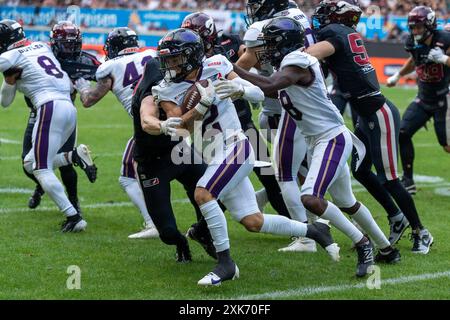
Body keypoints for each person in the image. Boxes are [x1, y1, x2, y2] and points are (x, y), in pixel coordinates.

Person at [153, 28, 340, 286]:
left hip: (236, 145)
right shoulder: (164, 89)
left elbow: (259, 93)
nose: (170, 65)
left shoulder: (217, 64)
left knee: (203, 193)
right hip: (214, 154)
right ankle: (314, 229)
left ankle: (226, 264)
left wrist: (240, 89)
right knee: (253, 221)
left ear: (192, 56)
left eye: (175, 59)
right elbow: (180, 127)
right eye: (168, 60)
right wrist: (200, 106)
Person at [234, 16, 401, 277]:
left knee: (310, 198)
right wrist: (242, 90)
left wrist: (235, 71)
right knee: (347, 201)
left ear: (283, 43)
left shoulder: (296, 62)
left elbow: (272, 84)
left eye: (270, 43)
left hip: (330, 139)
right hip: (320, 140)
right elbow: (275, 92)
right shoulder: (292, 64)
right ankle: (387, 249)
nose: (265, 50)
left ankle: (362, 243)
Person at [307, 0, 433, 253]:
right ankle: (396, 218)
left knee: (390, 179)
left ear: (337, 17)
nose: (320, 18)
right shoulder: (345, 33)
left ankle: (421, 231)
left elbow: (307, 56)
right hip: (365, 112)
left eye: (326, 14)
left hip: (378, 111)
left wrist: (288, 54)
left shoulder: (335, 34)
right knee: (362, 170)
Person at [181, 12, 292, 222]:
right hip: (209, 133)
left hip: (242, 124)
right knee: (207, 184)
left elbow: (252, 67)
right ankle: (205, 229)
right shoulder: (186, 63)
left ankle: (295, 225)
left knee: (268, 176)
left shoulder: (227, 49)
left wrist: (239, 83)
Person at [236, 0, 324, 253]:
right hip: (309, 102)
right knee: (300, 170)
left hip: (285, 108)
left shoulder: (264, 27)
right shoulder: (298, 16)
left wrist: (228, 69)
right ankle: (320, 221)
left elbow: (245, 64)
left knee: (288, 173)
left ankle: (308, 233)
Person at [0, 19, 97, 232]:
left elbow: (4, 102)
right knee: (29, 163)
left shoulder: (8, 56)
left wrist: (9, 80)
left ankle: (74, 217)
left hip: (48, 106)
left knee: (41, 168)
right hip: (67, 108)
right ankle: (74, 156)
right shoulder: (41, 46)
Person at [74, 27, 159, 239]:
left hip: (147, 126)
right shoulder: (152, 54)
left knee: (128, 177)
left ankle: (154, 223)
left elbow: (88, 100)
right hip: (173, 117)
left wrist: (81, 84)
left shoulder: (109, 66)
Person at [131, 49, 216, 262]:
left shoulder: (179, 83)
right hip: (152, 162)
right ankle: (181, 241)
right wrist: (162, 125)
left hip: (180, 152)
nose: (177, 68)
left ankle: (201, 231)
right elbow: (146, 121)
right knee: (167, 232)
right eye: (172, 63)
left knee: (216, 190)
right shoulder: (152, 91)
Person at [24, 20, 101, 212]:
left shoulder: (84, 60)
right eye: (66, 44)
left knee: (62, 167)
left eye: (73, 45)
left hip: (60, 115)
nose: (70, 49)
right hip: (37, 111)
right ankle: (42, 185)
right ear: (55, 43)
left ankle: (73, 203)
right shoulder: (41, 54)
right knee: (27, 162)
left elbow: (106, 73)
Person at [387, 6, 450, 195]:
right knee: (402, 133)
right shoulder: (412, 42)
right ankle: (408, 181)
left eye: (419, 27)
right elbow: (414, 61)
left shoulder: (444, 39)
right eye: (413, 28)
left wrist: (445, 59)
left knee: (447, 146)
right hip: (423, 97)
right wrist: (398, 75)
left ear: (429, 25)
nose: (415, 32)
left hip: (444, 97)